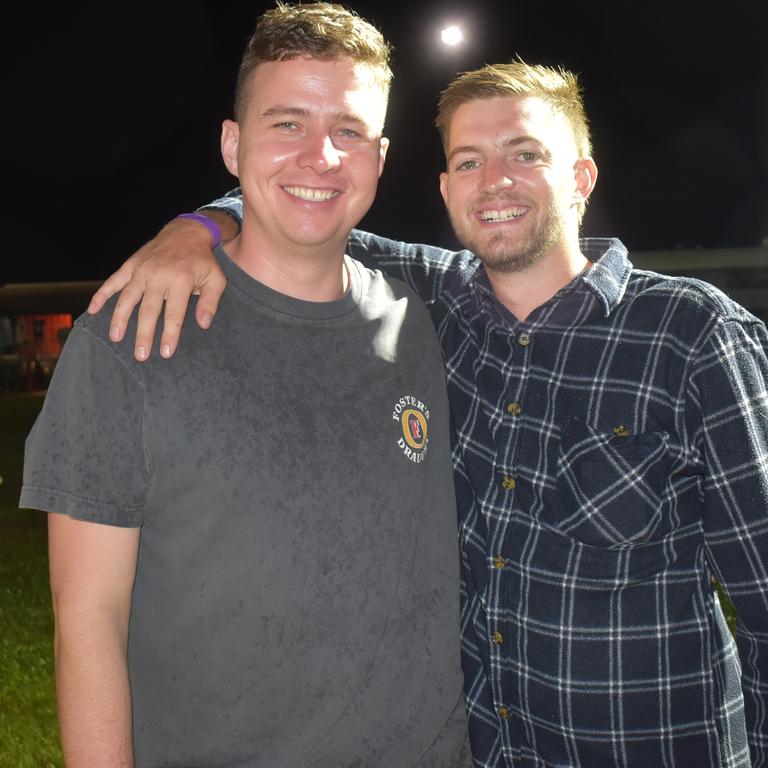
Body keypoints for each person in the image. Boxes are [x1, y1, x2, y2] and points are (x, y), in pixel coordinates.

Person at [91, 56, 768, 767]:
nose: (495, 181)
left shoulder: (690, 335)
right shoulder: (434, 301)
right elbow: (302, 206)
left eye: (525, 154)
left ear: (581, 178)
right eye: (469, 161)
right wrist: (196, 227)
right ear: (447, 189)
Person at [20, 4, 472, 767]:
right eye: (286, 124)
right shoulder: (127, 339)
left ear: (381, 155)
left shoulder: (422, 320)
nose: (320, 156)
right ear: (233, 144)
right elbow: (88, 617)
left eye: (349, 130)